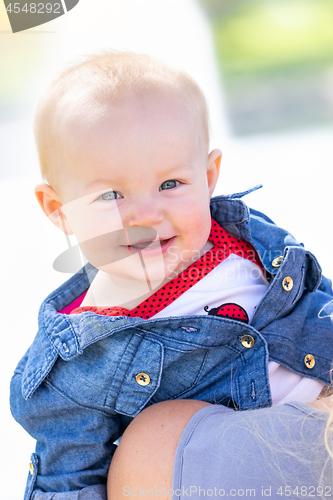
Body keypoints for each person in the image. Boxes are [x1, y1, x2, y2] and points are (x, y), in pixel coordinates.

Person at [9, 51, 333, 500]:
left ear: (208, 176)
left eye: (170, 185)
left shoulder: (248, 241)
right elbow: (66, 478)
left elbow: (316, 304)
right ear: (58, 210)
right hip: (241, 476)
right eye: (111, 195)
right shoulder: (79, 359)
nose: (146, 214)